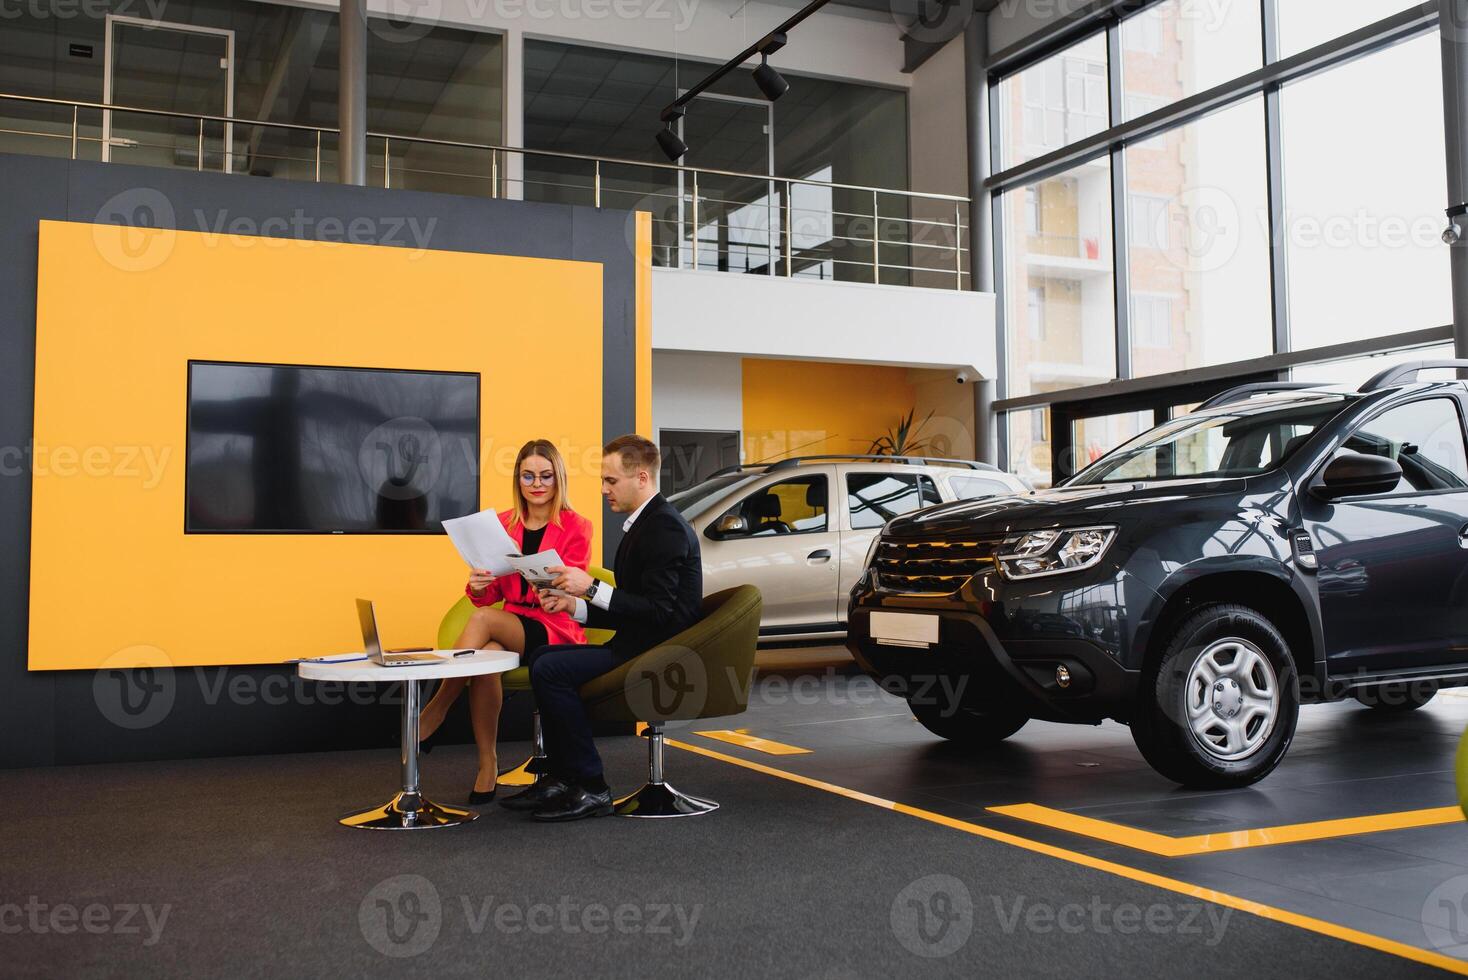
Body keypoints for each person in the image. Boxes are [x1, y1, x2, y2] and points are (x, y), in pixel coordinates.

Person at [500, 434, 703, 822]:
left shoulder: (664, 529)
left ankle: (592, 786)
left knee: (548, 667)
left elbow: (658, 613)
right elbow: (633, 608)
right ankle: (561, 778)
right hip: (637, 641)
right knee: (544, 656)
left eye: (611, 481)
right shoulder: (644, 525)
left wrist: (591, 587)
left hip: (657, 653)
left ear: (641, 478)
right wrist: (575, 607)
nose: (604, 489)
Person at [418, 439, 592, 803]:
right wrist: (478, 584)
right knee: (486, 660)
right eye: (528, 476)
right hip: (514, 623)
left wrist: (556, 590)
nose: (537, 483)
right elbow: (488, 594)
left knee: (483, 621)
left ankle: (437, 707)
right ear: (518, 480)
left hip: (553, 628)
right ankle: (488, 763)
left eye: (545, 475)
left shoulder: (578, 526)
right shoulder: (501, 524)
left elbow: (576, 590)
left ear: (558, 478)